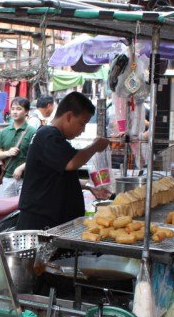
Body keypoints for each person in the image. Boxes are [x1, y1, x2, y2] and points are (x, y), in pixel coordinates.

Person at [17, 92, 109, 230]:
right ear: (69, 116)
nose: (83, 130)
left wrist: (89, 187)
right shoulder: (47, 135)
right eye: (82, 123)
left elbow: (55, 178)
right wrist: (95, 146)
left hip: (55, 222)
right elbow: (72, 163)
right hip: (42, 223)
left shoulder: (56, 139)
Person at [0, 97, 37, 197]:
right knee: (8, 210)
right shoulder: (4, 132)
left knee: (23, 210)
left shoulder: (33, 132)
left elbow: (37, 157)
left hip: (26, 179)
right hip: (7, 178)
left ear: (26, 111)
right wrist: (7, 153)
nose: (14, 112)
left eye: (18, 109)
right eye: (13, 108)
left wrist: (21, 168)